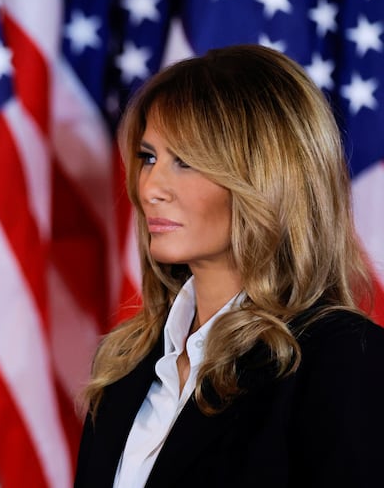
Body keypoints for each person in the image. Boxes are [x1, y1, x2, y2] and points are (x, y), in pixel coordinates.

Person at [74, 44, 384, 488]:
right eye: (149, 157)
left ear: (269, 178)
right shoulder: (125, 369)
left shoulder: (344, 361)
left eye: (186, 161)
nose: (150, 188)